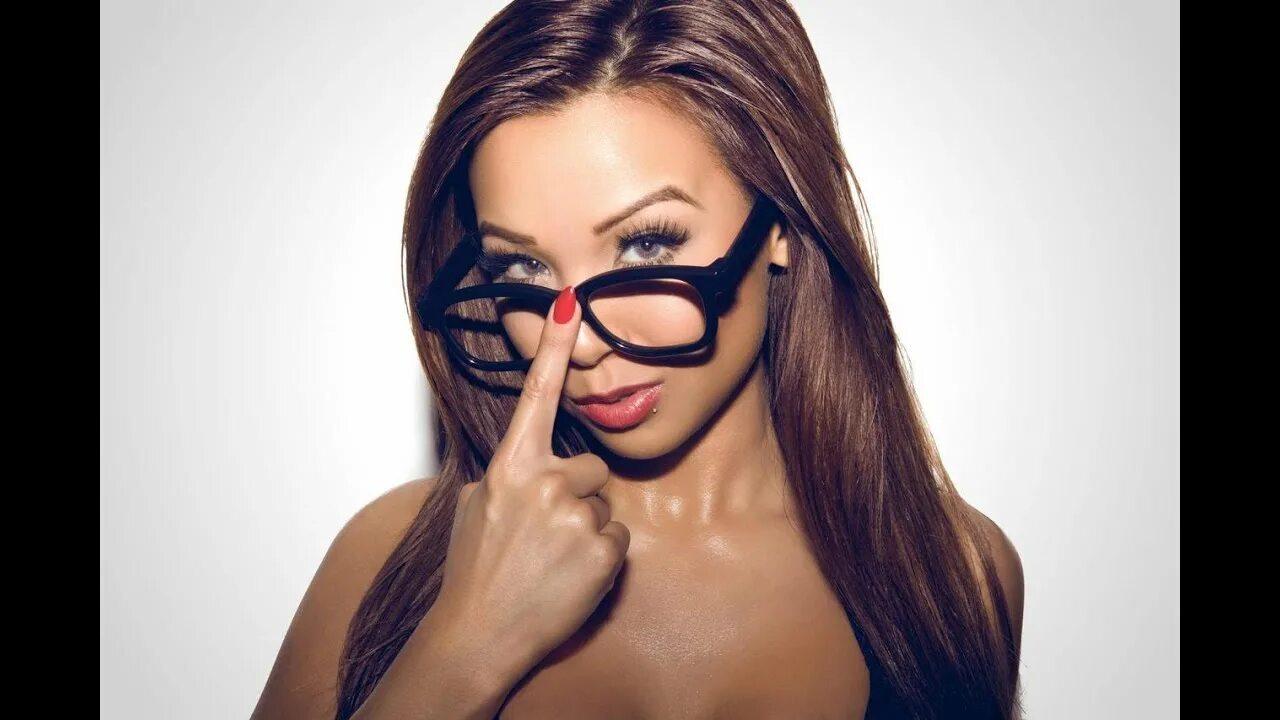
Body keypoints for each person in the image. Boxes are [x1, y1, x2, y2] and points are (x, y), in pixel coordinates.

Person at [253, 1, 1024, 718]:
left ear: (781, 223)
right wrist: (464, 644)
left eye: (647, 243)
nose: (581, 341)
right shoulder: (389, 556)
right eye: (522, 267)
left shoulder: (952, 576)